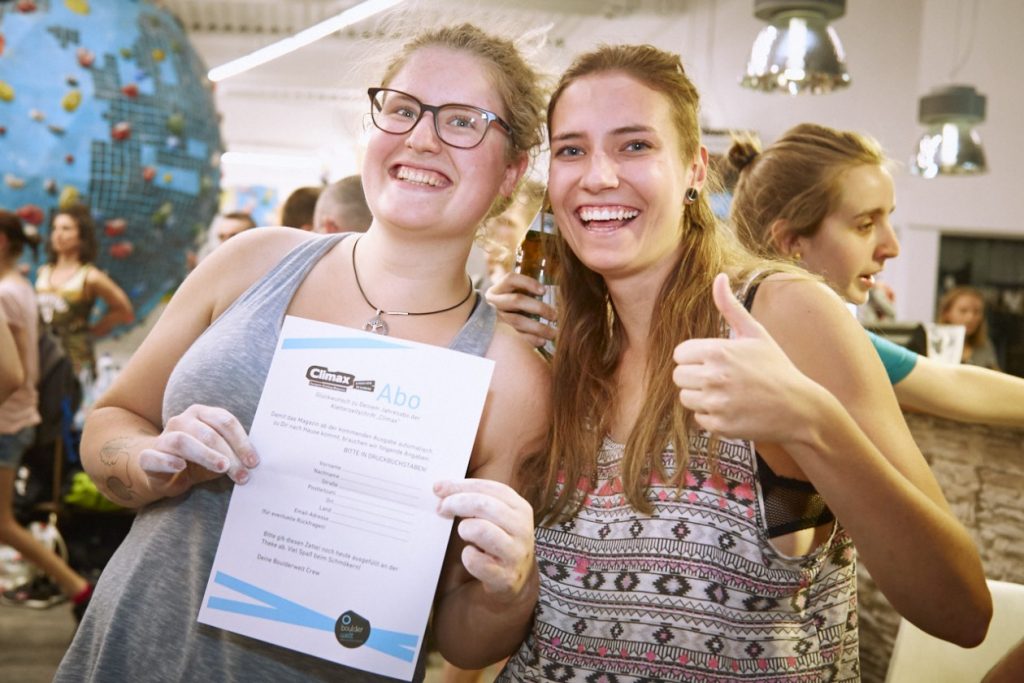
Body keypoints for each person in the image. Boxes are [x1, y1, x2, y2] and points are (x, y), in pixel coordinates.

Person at [54, 23, 549, 682]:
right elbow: (111, 421)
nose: (421, 137)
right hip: (131, 653)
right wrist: (148, 462)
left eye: (463, 121)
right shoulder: (252, 261)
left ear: (512, 170)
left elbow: (464, 641)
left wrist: (506, 588)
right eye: (402, 109)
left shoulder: (513, 378)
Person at [489, 45, 988, 681]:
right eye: (572, 150)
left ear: (695, 168)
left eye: (635, 145)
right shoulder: (566, 342)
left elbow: (961, 610)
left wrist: (814, 423)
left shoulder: (782, 313)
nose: (598, 176)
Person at [726, 123, 1024, 426]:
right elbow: (950, 389)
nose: (892, 247)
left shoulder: (728, 313)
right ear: (790, 241)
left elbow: (953, 384)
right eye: (865, 225)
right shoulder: (820, 331)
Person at [0, 210, 94, 617]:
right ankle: (77, 588)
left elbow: (12, 373)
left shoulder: (6, 291)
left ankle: (78, 588)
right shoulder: (20, 285)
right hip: (18, 417)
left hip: (7, 421)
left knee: (4, 523)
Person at [35, 204, 134, 379]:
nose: (58, 234)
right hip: (41, 358)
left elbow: (124, 309)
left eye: (66, 228)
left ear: (81, 236)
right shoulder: (43, 272)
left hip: (76, 363)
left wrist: (95, 330)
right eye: (55, 228)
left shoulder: (90, 276)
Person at [938, 285, 1000, 370]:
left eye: (977, 312)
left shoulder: (984, 346)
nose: (970, 318)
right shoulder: (934, 343)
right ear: (947, 313)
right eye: (963, 311)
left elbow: (996, 377)